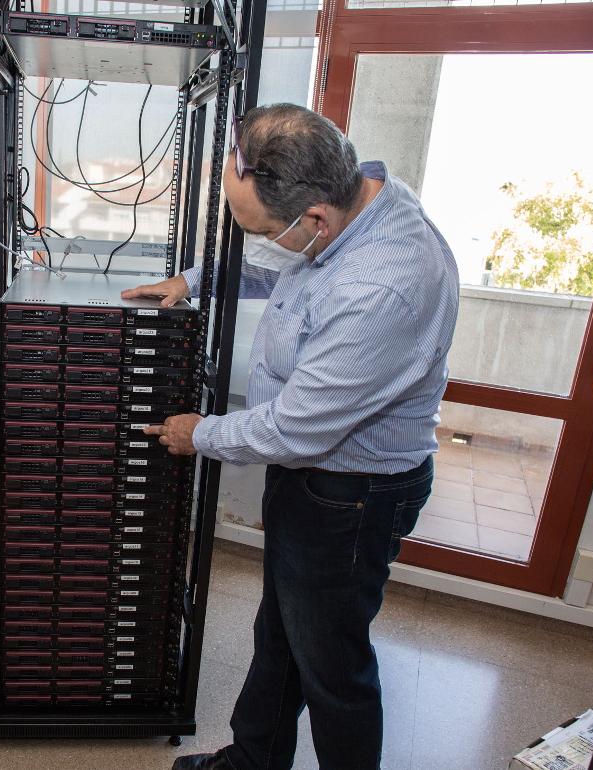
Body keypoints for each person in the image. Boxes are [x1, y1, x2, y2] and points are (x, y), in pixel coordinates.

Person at [121, 103, 460, 770]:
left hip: (350, 495)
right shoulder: (351, 197)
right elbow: (288, 268)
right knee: (281, 636)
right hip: (318, 484)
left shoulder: (384, 286)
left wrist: (201, 433)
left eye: (263, 230)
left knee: (334, 669)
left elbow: (296, 428)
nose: (261, 242)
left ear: (315, 221)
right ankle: (254, 760)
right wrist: (193, 279)